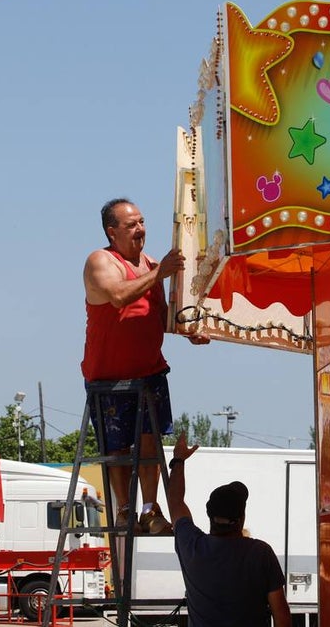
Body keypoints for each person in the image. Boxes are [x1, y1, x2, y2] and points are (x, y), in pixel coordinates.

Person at [82, 197, 207, 535]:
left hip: (149, 370)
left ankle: (150, 510)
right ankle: (125, 509)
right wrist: (158, 273)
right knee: (117, 449)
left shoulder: (151, 264)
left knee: (150, 444)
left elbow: (160, 315)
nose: (140, 229)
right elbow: (119, 296)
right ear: (112, 232)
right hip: (109, 377)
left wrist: (188, 330)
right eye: (131, 224)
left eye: (141, 222)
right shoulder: (101, 261)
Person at [167, 432, 290, 627]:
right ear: (241, 519)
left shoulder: (192, 546)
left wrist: (179, 460)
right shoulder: (261, 553)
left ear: (209, 516)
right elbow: (282, 618)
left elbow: (175, 502)